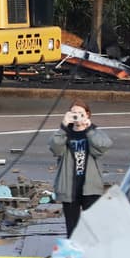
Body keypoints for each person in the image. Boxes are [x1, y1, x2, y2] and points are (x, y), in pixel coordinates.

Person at [49, 99, 112, 238]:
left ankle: (91, 250)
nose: (77, 116)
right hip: (69, 187)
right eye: (74, 113)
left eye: (80, 113)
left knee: (92, 228)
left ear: (88, 114)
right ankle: (74, 250)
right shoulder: (64, 133)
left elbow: (103, 146)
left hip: (91, 187)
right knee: (72, 230)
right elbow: (55, 148)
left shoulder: (94, 131)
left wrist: (88, 129)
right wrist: (64, 126)